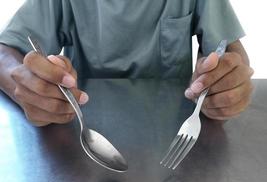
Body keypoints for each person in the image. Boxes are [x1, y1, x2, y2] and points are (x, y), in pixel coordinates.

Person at [0, 0, 254, 126]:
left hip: (174, 144)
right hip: (83, 134)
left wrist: (227, 83)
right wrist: (25, 86)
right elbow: (4, 53)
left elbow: (230, 51)